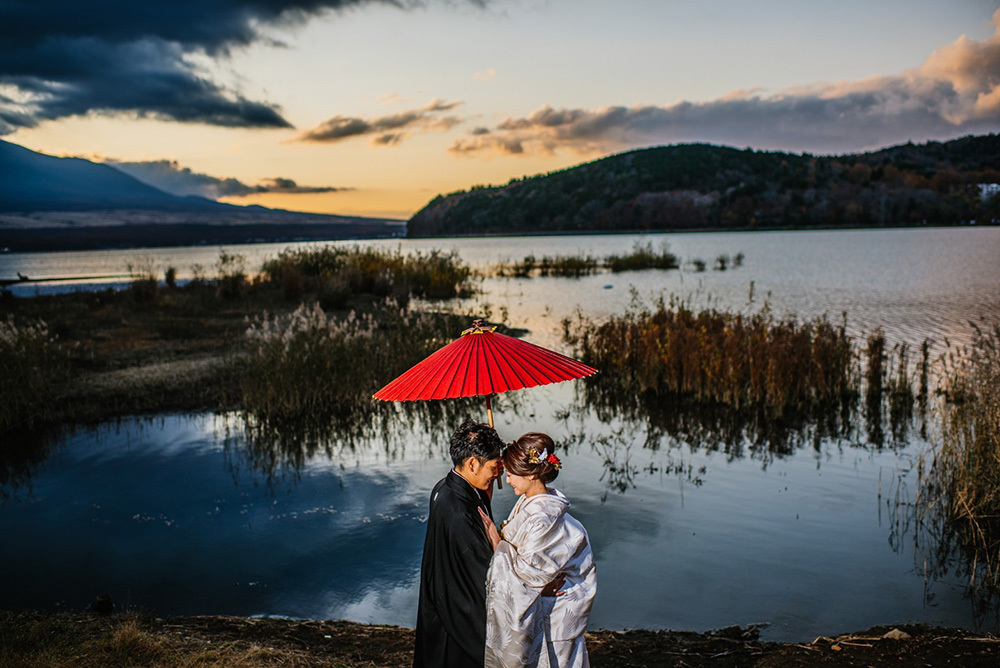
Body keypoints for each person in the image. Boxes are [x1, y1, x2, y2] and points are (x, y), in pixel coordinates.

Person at [485, 433, 597, 668]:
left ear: (532, 473)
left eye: (513, 473)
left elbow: (527, 575)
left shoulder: (543, 515)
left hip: (556, 610)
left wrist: (497, 543)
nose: (508, 479)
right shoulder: (533, 502)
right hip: (549, 604)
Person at [414, 419, 504, 668]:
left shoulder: (444, 487)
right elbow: (486, 569)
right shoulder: (459, 511)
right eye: (494, 466)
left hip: (443, 595)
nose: (497, 473)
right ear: (473, 463)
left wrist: (485, 497)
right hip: (459, 609)